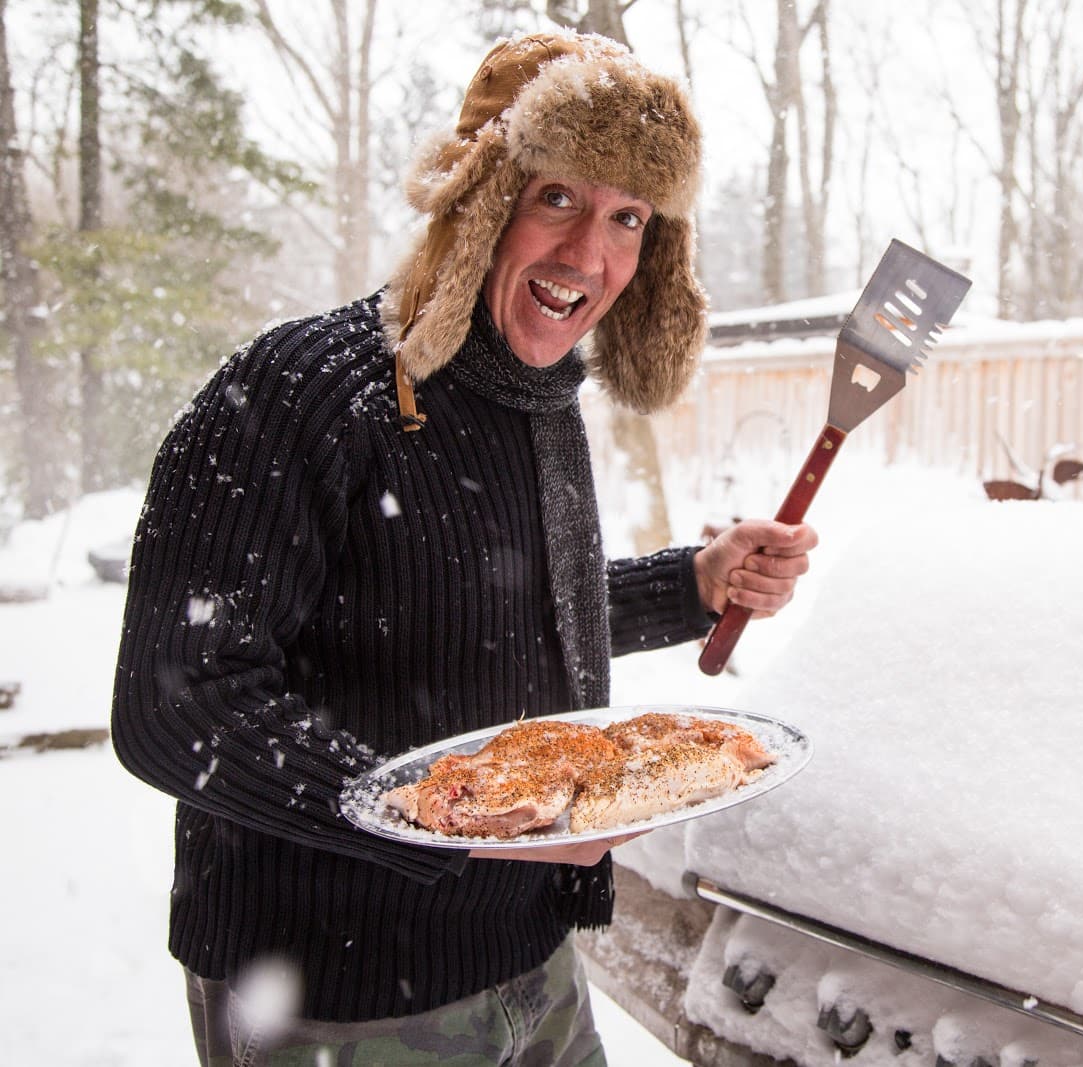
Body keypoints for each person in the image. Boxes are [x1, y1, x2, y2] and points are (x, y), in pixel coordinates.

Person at [110, 30, 816, 1067]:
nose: (591, 255)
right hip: (332, 988)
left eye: (628, 215)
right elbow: (179, 703)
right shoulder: (300, 390)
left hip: (529, 959)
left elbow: (483, 609)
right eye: (559, 197)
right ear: (482, 196)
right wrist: (454, 822)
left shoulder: (537, 404)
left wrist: (692, 584)